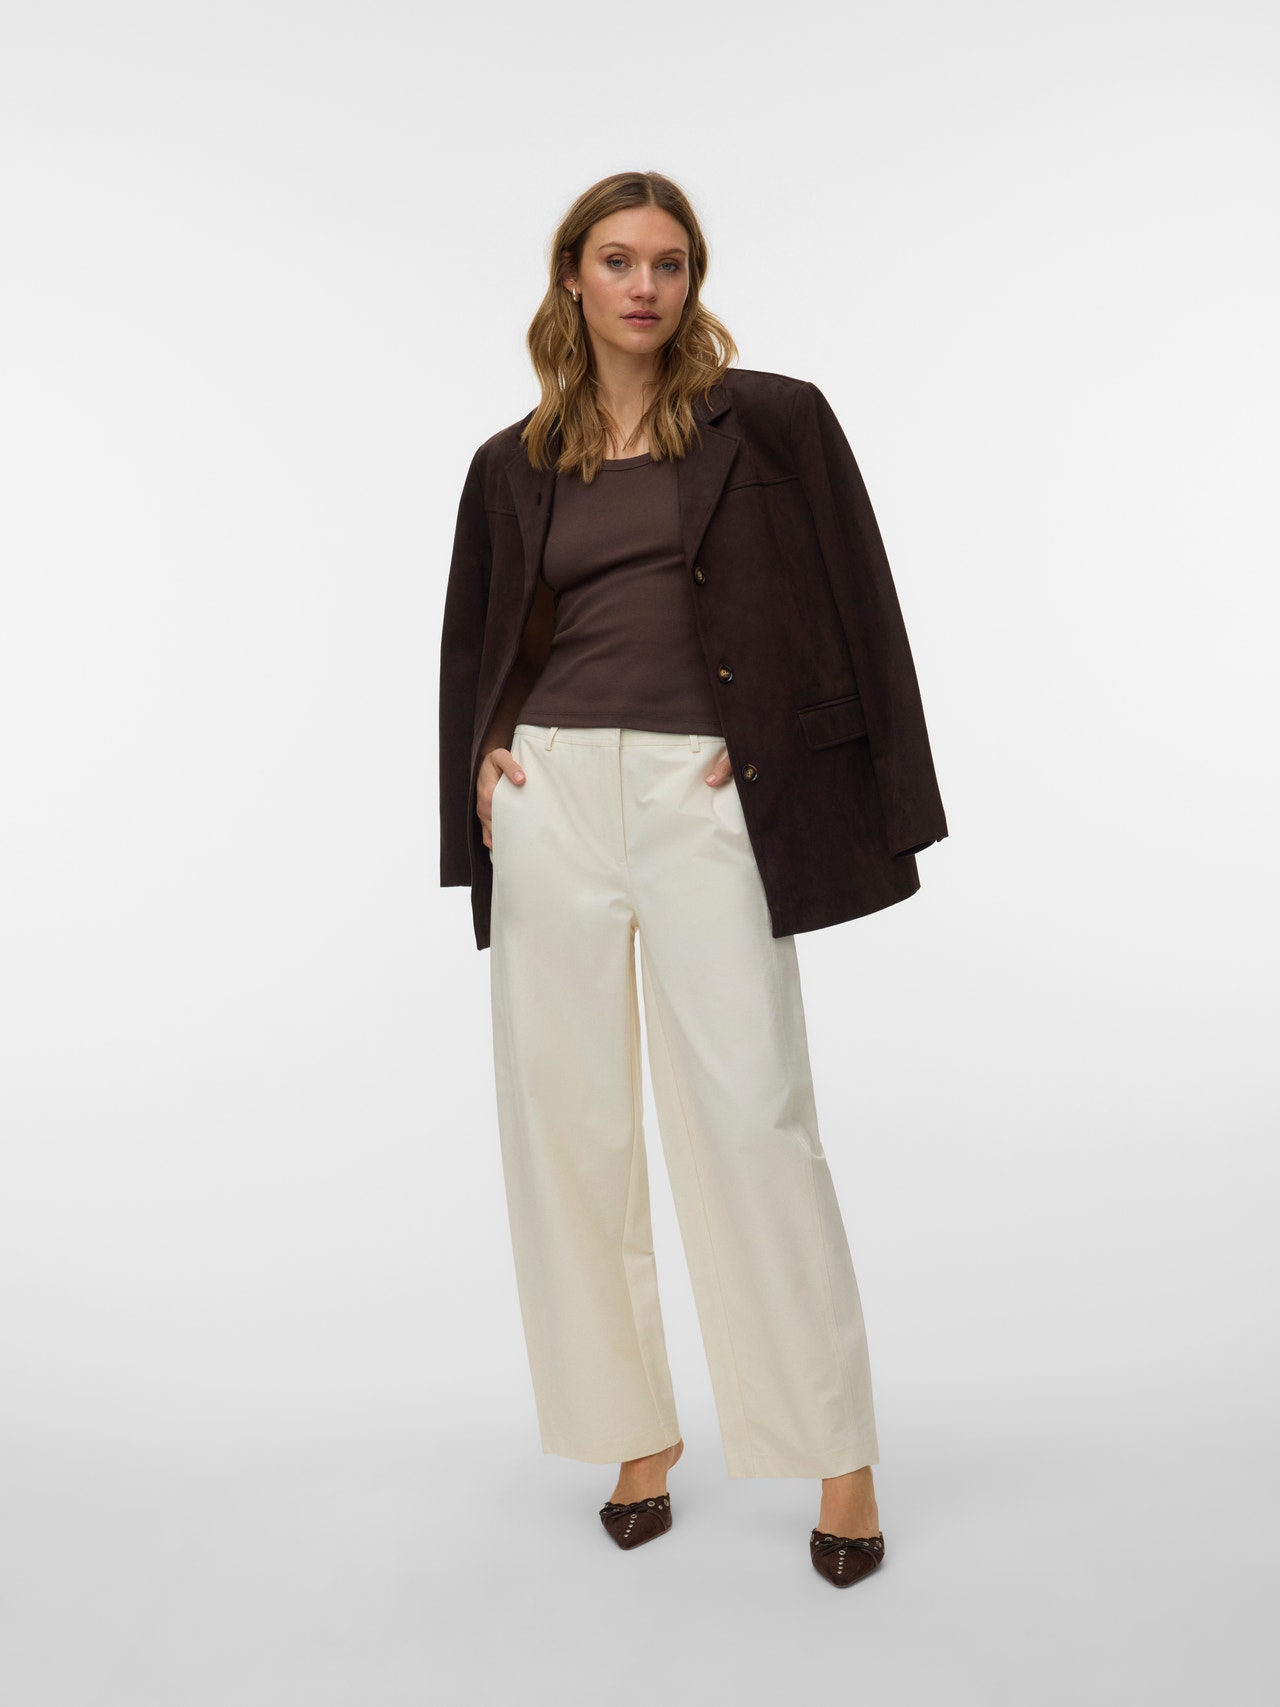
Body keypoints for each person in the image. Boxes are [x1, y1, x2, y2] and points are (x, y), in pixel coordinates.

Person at [438, 170, 948, 1588]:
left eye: (669, 262)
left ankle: (837, 1454)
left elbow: (861, 600)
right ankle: (633, 1438)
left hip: (710, 796)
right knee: (567, 1124)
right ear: (573, 277)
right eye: (618, 260)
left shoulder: (772, 422)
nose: (646, 285)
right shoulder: (513, 459)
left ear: (692, 279)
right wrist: (485, 758)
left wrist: (839, 766)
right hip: (551, 798)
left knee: (755, 1117)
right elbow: (486, 636)